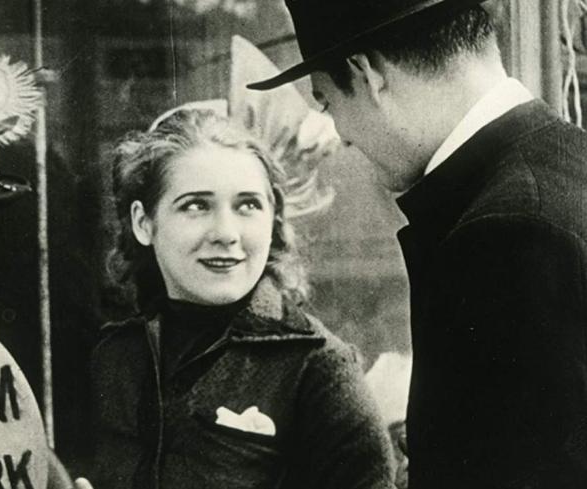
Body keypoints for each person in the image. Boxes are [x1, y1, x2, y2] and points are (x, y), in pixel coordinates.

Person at [249, 1, 587, 487]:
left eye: (326, 102)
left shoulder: (506, 234)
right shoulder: (565, 167)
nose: (341, 136)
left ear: (366, 75)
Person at [87, 108, 395, 489]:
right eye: (196, 205)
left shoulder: (316, 369)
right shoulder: (116, 357)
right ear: (143, 222)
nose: (226, 233)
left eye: (248, 205)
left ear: (272, 219)